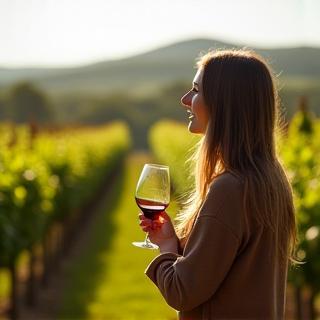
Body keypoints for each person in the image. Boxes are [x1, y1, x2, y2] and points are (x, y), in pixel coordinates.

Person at [138, 49, 298, 319]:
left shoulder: (231, 189)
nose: (185, 100)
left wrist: (166, 251)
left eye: (196, 90)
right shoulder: (269, 179)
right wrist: (173, 242)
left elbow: (183, 292)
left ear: (224, 102)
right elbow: (228, 271)